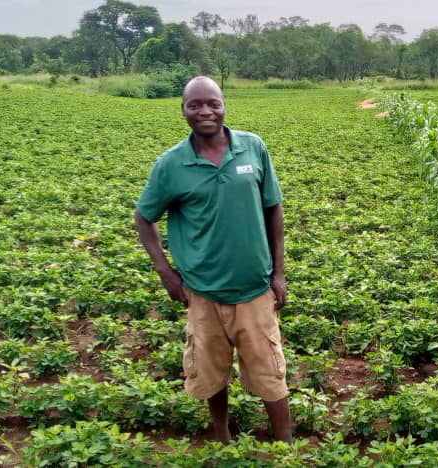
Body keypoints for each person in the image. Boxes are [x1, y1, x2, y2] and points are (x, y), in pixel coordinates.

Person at [134, 76, 291, 443]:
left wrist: (279, 273)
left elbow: (274, 209)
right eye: (195, 105)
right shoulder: (171, 164)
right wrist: (165, 272)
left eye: (213, 103)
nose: (205, 111)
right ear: (183, 110)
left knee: (269, 370)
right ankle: (221, 433)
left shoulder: (253, 148)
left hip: (254, 287)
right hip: (202, 291)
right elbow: (144, 217)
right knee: (210, 371)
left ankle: (285, 443)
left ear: (224, 105)